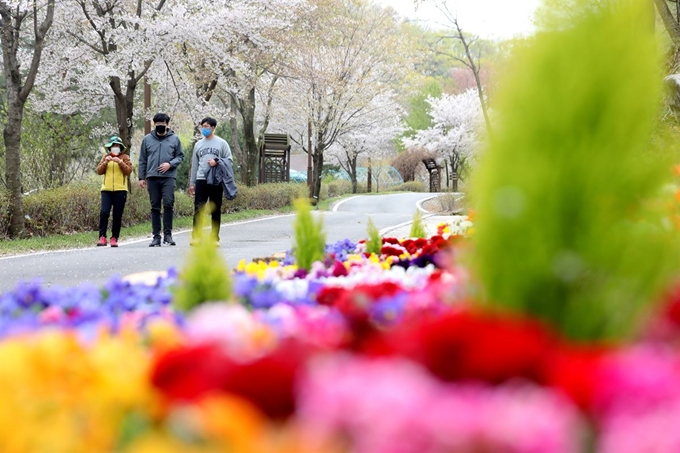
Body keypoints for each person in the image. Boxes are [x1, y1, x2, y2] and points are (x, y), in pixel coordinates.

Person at [138, 113, 185, 247]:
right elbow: (142, 159)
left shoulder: (175, 139)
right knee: (155, 207)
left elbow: (180, 156)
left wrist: (170, 164)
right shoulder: (147, 139)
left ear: (167, 124)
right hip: (152, 176)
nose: (160, 125)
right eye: (157, 123)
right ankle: (156, 236)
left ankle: (168, 235)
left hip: (169, 177)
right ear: (154, 124)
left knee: (169, 203)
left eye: (162, 123)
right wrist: (141, 177)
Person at [188, 117, 233, 245]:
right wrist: (192, 183)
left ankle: (214, 238)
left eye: (207, 126)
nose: (204, 129)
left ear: (213, 127)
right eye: (203, 126)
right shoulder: (198, 145)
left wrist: (216, 161)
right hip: (201, 179)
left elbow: (229, 160)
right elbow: (195, 165)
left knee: (215, 208)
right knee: (198, 208)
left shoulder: (222, 143)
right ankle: (196, 237)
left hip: (216, 180)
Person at [96, 136, 133, 247]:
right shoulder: (105, 157)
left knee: (117, 215)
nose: (115, 148)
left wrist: (120, 162)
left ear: (120, 147)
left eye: (117, 146)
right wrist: (105, 163)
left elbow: (128, 171)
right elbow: (99, 171)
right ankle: (102, 237)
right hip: (106, 190)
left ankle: (114, 238)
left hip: (120, 190)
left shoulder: (125, 157)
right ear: (110, 148)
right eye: (113, 146)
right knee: (104, 213)